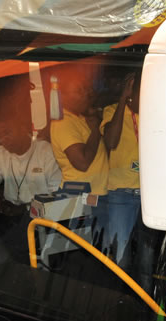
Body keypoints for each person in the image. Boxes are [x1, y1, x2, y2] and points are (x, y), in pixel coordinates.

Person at [0, 76, 62, 215]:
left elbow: (57, 195)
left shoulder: (45, 151)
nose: (3, 139)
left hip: (41, 219)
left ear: (22, 128)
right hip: (11, 219)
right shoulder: (0, 153)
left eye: (7, 132)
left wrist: (24, 210)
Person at [50, 64, 109, 248]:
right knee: (83, 253)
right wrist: (96, 130)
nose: (86, 94)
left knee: (96, 251)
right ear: (64, 97)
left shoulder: (80, 118)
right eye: (79, 91)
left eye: (86, 89)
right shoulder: (63, 123)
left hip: (92, 195)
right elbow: (82, 162)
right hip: (80, 197)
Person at [101, 72, 141, 267]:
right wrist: (122, 100)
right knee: (120, 258)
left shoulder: (155, 113)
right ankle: (119, 296)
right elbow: (111, 141)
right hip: (121, 195)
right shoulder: (111, 111)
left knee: (146, 260)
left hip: (149, 195)